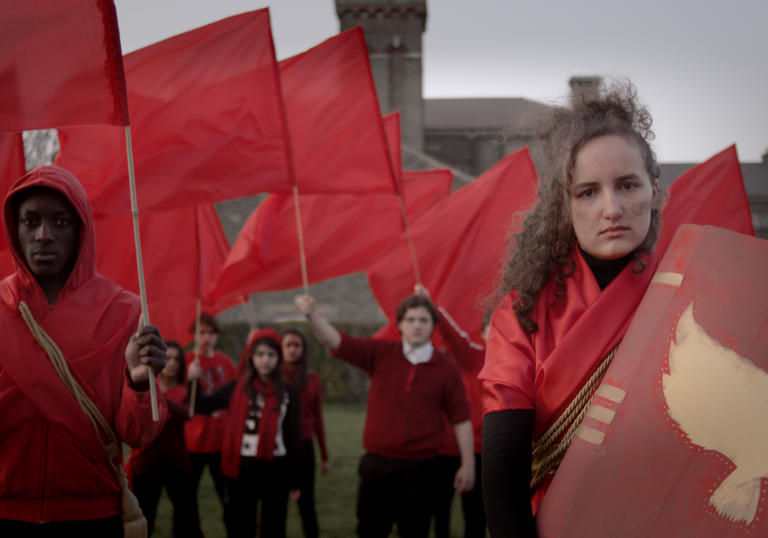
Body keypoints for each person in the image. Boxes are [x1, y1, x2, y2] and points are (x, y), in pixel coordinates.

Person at [479, 81, 664, 537]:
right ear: (566, 204)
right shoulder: (521, 313)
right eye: (588, 192)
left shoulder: (690, 293)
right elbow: (504, 467)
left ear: (654, 190)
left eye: (627, 185)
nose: (613, 208)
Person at [0, 165, 168, 535]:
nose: (44, 235)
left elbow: (140, 435)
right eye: (31, 221)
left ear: (81, 231)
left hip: (92, 514)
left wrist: (140, 386)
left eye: (60, 222)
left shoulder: (125, 311)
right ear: (15, 228)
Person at [297, 293, 475, 538]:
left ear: (433, 326)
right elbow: (338, 342)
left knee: (415, 531)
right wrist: (311, 316)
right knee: (370, 530)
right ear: (399, 324)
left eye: (424, 320)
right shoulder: (380, 352)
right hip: (377, 466)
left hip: (422, 469)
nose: (417, 325)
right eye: (410, 319)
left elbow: (461, 418)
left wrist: (468, 465)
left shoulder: (446, 368)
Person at [189, 328, 302, 538]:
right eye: (260, 355)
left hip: (276, 466)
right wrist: (193, 381)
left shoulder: (289, 391)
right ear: (252, 357)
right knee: (241, 524)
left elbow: (293, 436)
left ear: (278, 358)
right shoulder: (236, 387)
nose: (265, 361)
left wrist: (296, 479)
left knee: (274, 525)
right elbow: (202, 406)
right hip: (241, 466)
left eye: (271, 355)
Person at [415, 285, 489, 538]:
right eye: (495, 329)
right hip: (459, 448)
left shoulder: (524, 363)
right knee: (440, 510)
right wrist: (431, 306)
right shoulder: (474, 357)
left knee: (478, 516)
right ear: (485, 333)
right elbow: (451, 335)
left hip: (493, 452)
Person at [127, 341, 203, 538]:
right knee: (145, 518)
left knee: (188, 519)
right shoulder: (143, 388)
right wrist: (147, 386)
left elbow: (188, 414)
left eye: (177, 359)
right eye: (167, 358)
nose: (172, 363)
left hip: (177, 462)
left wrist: (193, 383)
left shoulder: (186, 390)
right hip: (146, 462)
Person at [185, 312, 237, 532]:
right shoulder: (186, 361)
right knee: (187, 497)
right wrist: (188, 377)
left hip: (220, 442)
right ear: (195, 335)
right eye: (202, 332)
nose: (206, 337)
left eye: (211, 333)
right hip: (192, 441)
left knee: (228, 496)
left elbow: (235, 394)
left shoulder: (224, 361)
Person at [281, 328, 329, 538]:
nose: (292, 350)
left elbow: (318, 418)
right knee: (275, 504)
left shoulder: (312, 379)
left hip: (304, 447)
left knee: (306, 503)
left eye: (296, 345)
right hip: (279, 447)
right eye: (288, 345)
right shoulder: (273, 377)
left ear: (303, 349)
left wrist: (325, 456)